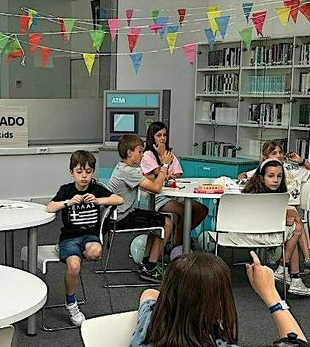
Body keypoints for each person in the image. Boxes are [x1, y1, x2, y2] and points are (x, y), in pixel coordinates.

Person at [119, 250, 306, 347]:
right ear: (218, 302)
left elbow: (149, 293)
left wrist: (176, 300)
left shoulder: (148, 318)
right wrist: (270, 295)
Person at [45, 149, 122, 326]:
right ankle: (71, 303)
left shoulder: (96, 189)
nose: (84, 176)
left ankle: (72, 252)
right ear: (72, 172)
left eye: (88, 171)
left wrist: (98, 200)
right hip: (70, 236)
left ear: (92, 172)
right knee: (74, 267)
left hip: (90, 236)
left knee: (95, 253)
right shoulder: (66, 190)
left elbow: (119, 199)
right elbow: (49, 207)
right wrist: (68, 202)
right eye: (79, 172)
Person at [237, 158, 310, 297]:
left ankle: (290, 274)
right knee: (295, 229)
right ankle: (287, 269)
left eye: (279, 176)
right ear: (262, 178)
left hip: (260, 232)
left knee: (294, 226)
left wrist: (287, 217)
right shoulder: (259, 195)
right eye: (271, 176)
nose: (276, 180)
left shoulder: (268, 192)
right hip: (255, 235)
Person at [105, 133, 173, 284]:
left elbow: (146, 179)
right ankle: (150, 268)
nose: (142, 154)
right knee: (167, 223)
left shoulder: (124, 167)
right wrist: (165, 166)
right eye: (140, 151)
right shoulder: (128, 171)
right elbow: (156, 188)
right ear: (130, 153)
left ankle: (146, 262)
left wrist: (162, 177)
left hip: (116, 214)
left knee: (155, 220)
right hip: (121, 217)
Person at [140, 120, 206, 256]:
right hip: (158, 196)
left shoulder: (170, 154)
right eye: (159, 135)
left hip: (175, 194)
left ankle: (179, 237)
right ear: (152, 137)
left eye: (165, 135)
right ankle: (179, 242)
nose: (162, 138)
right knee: (185, 211)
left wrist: (166, 172)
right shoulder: (147, 155)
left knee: (201, 209)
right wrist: (163, 158)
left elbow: (178, 174)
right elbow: (159, 173)